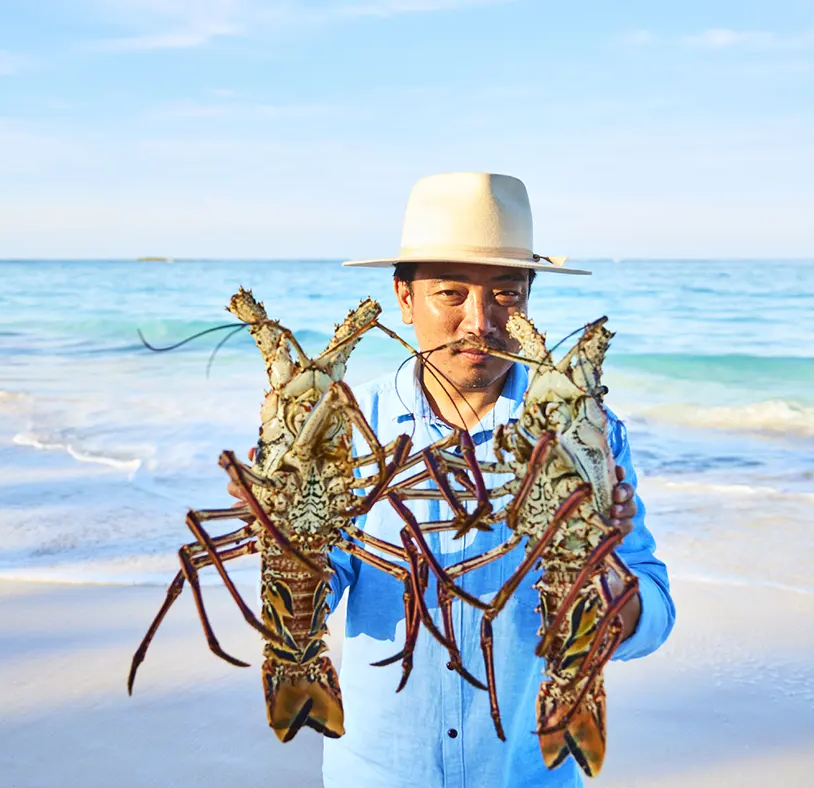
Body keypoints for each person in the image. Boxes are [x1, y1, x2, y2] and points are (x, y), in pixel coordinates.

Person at [242, 172, 675, 787]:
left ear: (527, 299)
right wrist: (280, 531)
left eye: (506, 294)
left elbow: (654, 610)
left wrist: (606, 586)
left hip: (527, 775)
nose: (480, 321)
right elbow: (322, 580)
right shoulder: (342, 425)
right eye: (450, 293)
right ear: (404, 296)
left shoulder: (591, 435)